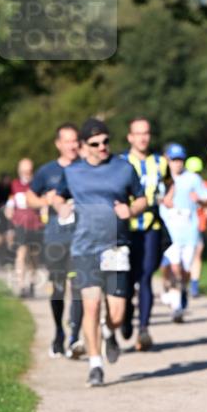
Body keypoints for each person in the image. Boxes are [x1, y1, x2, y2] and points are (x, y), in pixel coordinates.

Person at [54, 118, 147, 387]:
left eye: (106, 140)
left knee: (117, 314)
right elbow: (58, 196)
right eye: (95, 143)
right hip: (84, 248)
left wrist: (130, 210)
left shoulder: (123, 167)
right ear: (84, 146)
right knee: (91, 306)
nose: (102, 146)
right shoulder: (72, 172)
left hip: (115, 246)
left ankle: (110, 331)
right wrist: (61, 207)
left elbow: (141, 198)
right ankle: (95, 364)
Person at [27, 123, 85, 358]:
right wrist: (46, 202)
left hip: (82, 236)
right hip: (55, 238)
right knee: (59, 289)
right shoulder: (47, 171)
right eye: (67, 141)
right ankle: (59, 333)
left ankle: (74, 337)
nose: (72, 145)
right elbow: (30, 197)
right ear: (58, 144)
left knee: (80, 287)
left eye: (75, 140)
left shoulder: (86, 168)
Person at [122, 117, 169, 351]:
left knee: (146, 276)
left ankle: (143, 329)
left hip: (152, 227)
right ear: (130, 137)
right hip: (126, 230)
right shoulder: (121, 162)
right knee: (129, 281)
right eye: (137, 133)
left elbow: (169, 183)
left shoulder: (160, 162)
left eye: (146, 133)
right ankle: (127, 314)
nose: (142, 137)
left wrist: (168, 196)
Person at [160, 144, 207, 321]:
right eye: (174, 160)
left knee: (185, 270)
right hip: (169, 232)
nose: (177, 163)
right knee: (174, 267)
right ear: (168, 160)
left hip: (189, 230)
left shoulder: (193, 179)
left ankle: (182, 291)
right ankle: (176, 307)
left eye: (180, 159)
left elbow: (206, 199)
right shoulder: (162, 179)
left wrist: (200, 200)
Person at [8, 158, 43, 297]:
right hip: (21, 223)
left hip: (35, 222)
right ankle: (22, 285)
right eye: (23, 171)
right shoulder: (15, 184)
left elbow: (42, 202)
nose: (26, 173)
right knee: (21, 253)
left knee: (34, 255)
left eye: (28, 171)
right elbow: (11, 201)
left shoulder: (37, 184)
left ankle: (32, 282)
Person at [185, 155, 207, 297]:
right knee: (185, 256)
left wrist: (206, 208)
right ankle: (182, 282)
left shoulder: (203, 185)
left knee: (197, 253)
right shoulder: (180, 184)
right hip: (182, 226)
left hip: (198, 224)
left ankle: (194, 284)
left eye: (197, 172)